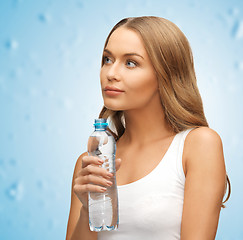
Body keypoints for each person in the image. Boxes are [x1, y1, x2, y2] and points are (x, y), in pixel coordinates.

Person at [66, 16, 231, 240]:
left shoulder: (198, 146)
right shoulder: (90, 163)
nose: (111, 73)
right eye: (107, 59)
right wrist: (88, 209)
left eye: (130, 63)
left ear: (166, 74)